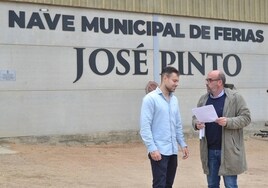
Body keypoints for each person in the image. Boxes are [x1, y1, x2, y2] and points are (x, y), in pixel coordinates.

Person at [192, 70, 251, 188]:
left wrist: (228, 121)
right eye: (207, 80)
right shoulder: (203, 99)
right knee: (212, 185)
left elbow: (246, 118)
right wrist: (196, 124)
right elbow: (195, 117)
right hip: (209, 151)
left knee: (230, 185)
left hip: (228, 151)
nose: (206, 83)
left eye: (209, 80)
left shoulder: (235, 98)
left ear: (219, 82)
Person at [140, 66, 189, 188]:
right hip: (159, 151)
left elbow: (177, 124)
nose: (177, 84)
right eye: (174, 80)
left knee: (168, 184)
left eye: (177, 81)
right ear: (165, 78)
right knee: (159, 185)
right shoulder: (150, 99)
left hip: (172, 150)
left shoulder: (174, 100)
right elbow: (145, 127)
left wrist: (182, 144)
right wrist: (152, 149)